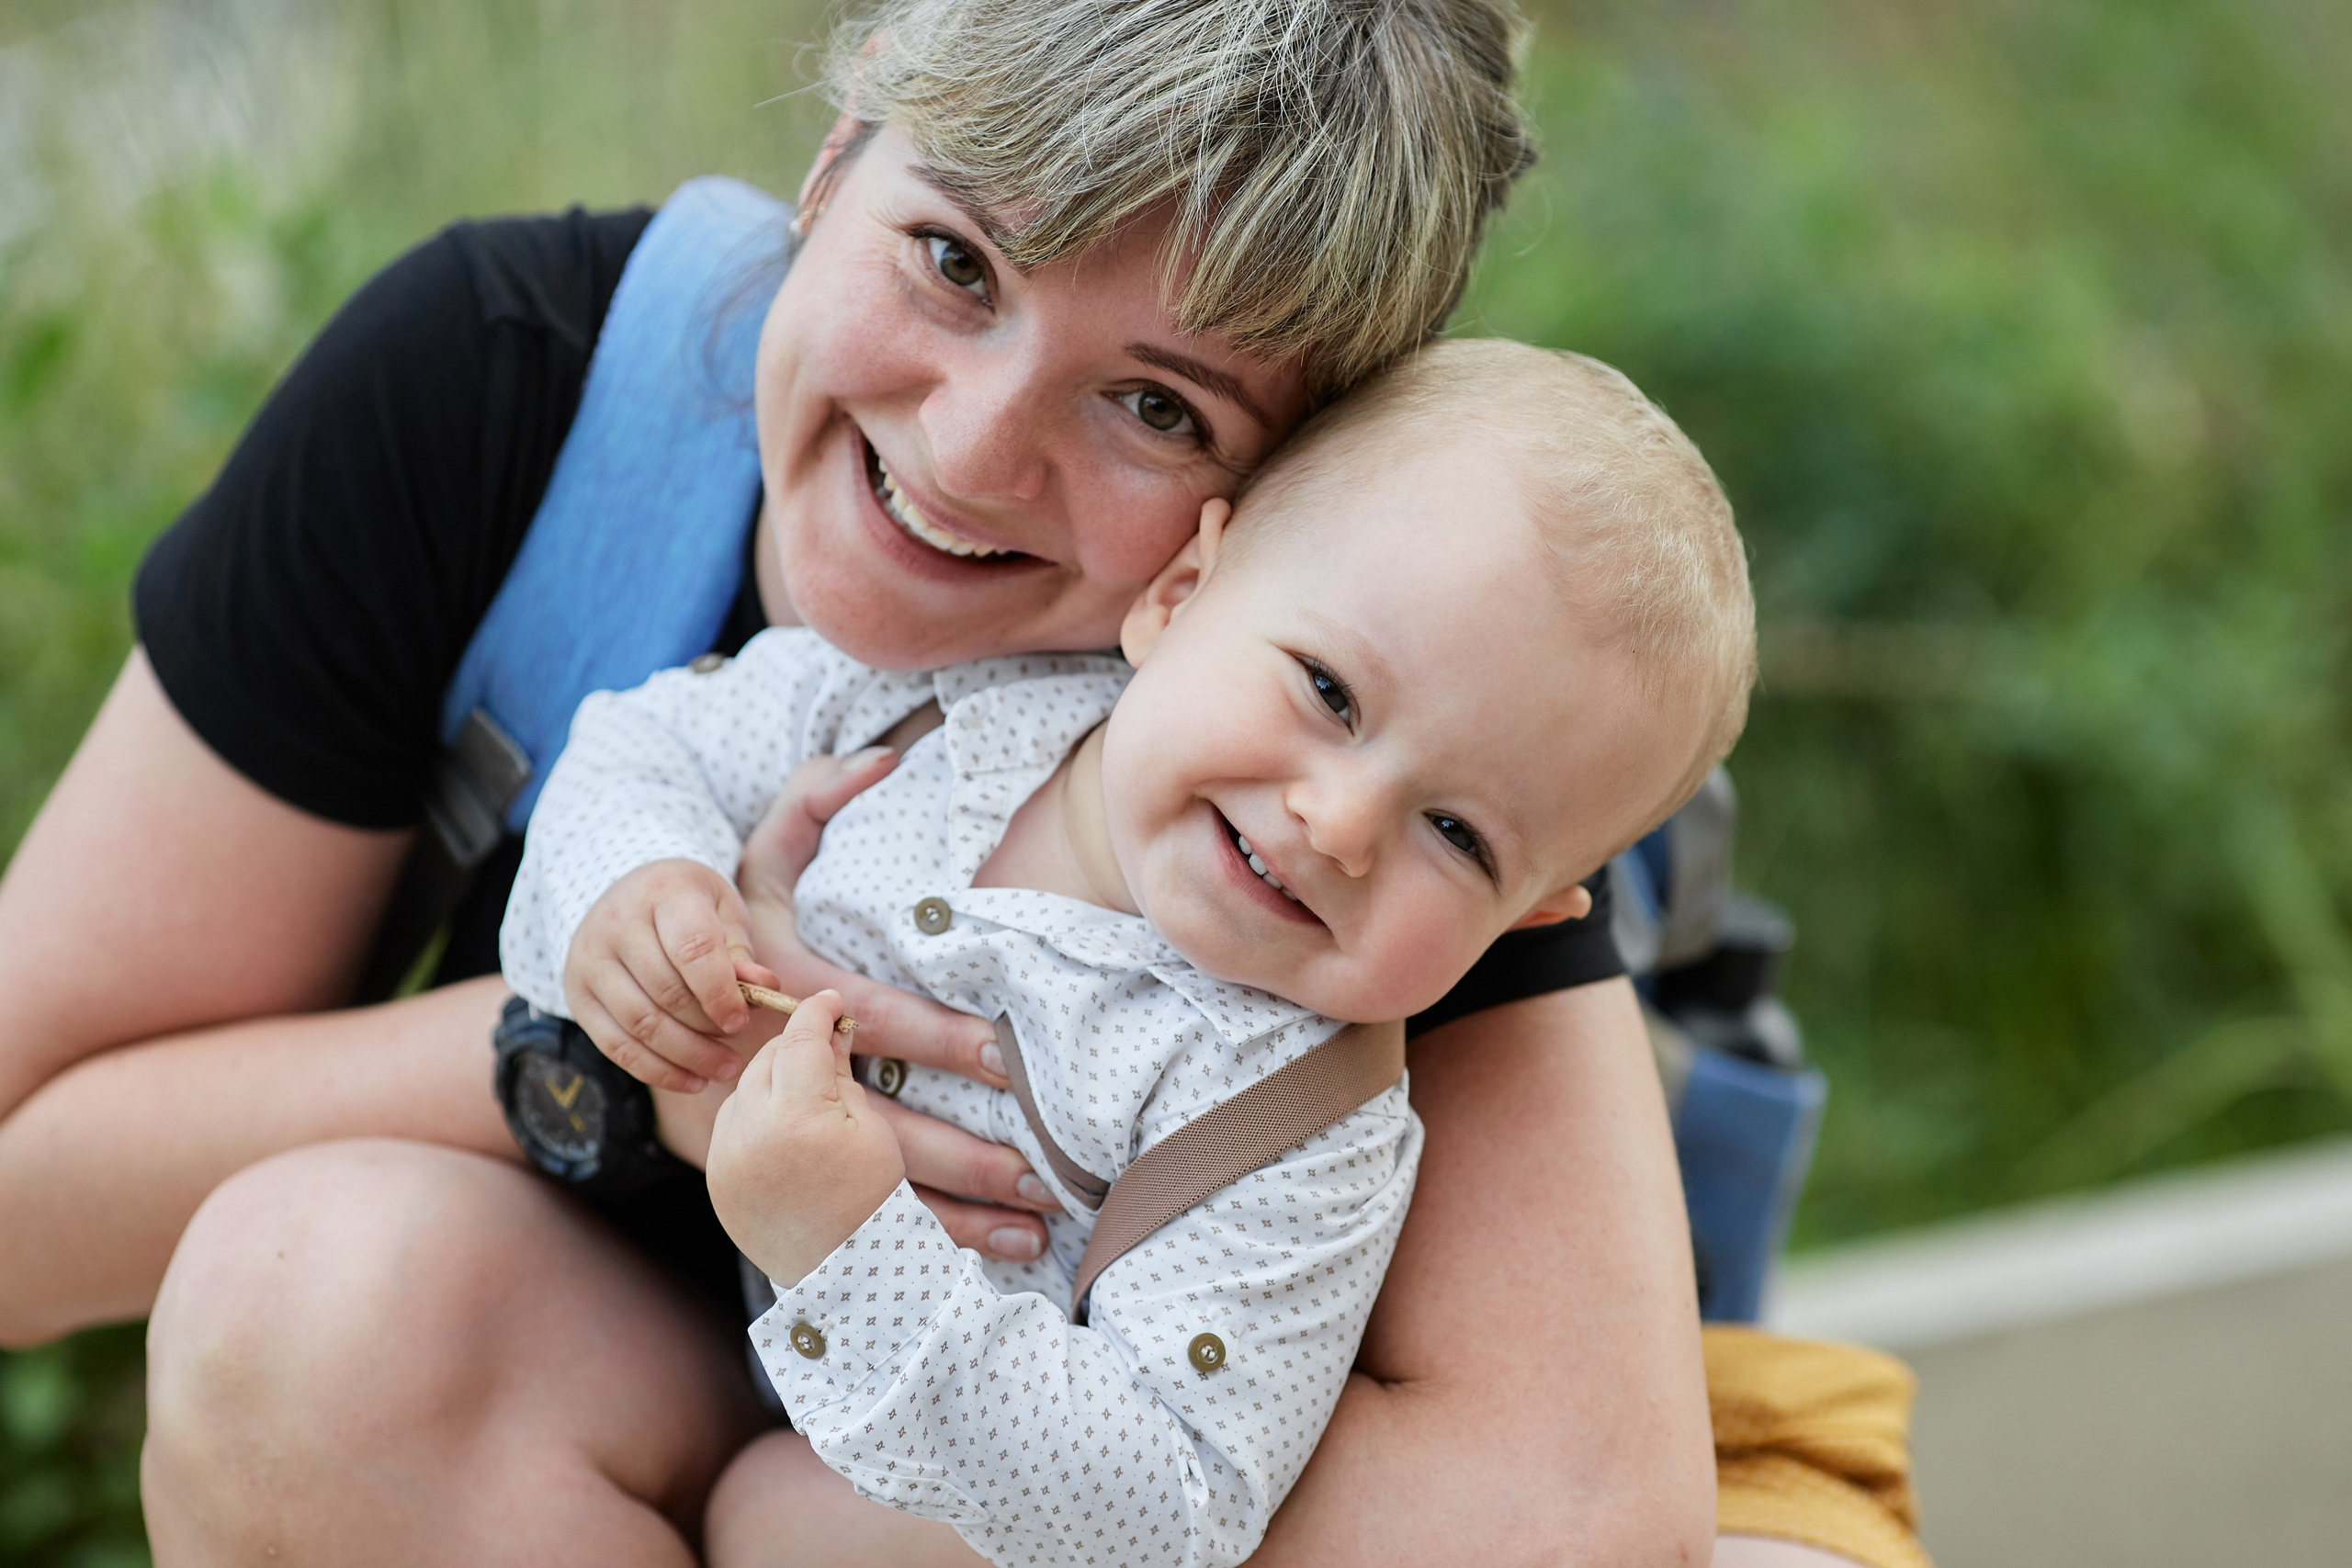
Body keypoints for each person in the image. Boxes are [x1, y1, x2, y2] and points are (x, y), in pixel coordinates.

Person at [0, 0, 1925, 1562]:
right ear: (837, 149)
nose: (977, 445)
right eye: (951, 258)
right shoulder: (505, 391)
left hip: (1119, 1459)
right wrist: (639, 1053)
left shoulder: (1367, 732)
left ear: (1255, 505)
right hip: (636, 1370)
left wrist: (856, 1492)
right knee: (317, 1304)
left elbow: (1569, 1515)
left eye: (1158, 403)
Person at [503, 338, 1756, 1567]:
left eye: (1456, 834)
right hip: (674, 1324)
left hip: (953, 1491)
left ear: (1523, 920)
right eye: (1328, 692)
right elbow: (644, 750)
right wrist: (636, 886)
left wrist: (852, 1254)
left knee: (788, 1527)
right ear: (1179, 595)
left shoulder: (1295, 1122)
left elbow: (1175, 1494)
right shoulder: (934, 701)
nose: (1339, 824)